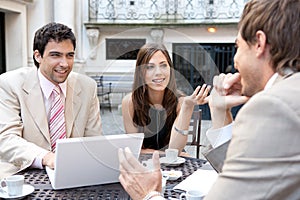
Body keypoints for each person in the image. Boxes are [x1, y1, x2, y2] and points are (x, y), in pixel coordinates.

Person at [118, 0, 300, 199]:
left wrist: (148, 195)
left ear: (259, 43)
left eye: (237, 47)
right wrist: (220, 112)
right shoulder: (288, 94)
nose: (235, 61)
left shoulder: (272, 106)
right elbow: (252, 174)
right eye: (150, 67)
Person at [0, 22, 102, 179]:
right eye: (56, 55)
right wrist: (48, 158)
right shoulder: (10, 83)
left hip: (73, 175)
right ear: (38, 56)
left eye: (70, 55)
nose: (65, 63)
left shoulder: (88, 87)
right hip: (22, 174)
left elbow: (93, 142)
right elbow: (7, 139)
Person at [121, 43, 210, 154]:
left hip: (174, 167)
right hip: (144, 164)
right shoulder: (130, 102)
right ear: (141, 73)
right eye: (150, 67)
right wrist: (165, 154)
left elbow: (175, 149)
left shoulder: (181, 102)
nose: (158, 72)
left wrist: (187, 107)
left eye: (163, 65)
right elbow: (135, 150)